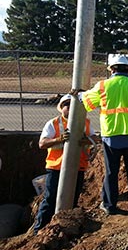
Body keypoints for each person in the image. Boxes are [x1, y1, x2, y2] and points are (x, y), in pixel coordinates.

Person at [76, 55, 128, 215]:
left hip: (111, 137)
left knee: (111, 173)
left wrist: (79, 94)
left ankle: (109, 206)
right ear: (127, 69)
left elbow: (87, 101)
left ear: (112, 69)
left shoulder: (102, 86)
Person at [34, 94, 98, 235]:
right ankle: (39, 230)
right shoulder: (54, 123)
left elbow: (95, 138)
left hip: (78, 167)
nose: (70, 108)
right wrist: (59, 139)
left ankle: (66, 230)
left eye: (73, 105)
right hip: (56, 168)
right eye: (67, 105)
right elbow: (42, 143)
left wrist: (86, 140)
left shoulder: (85, 123)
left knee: (72, 200)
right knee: (50, 199)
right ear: (61, 108)